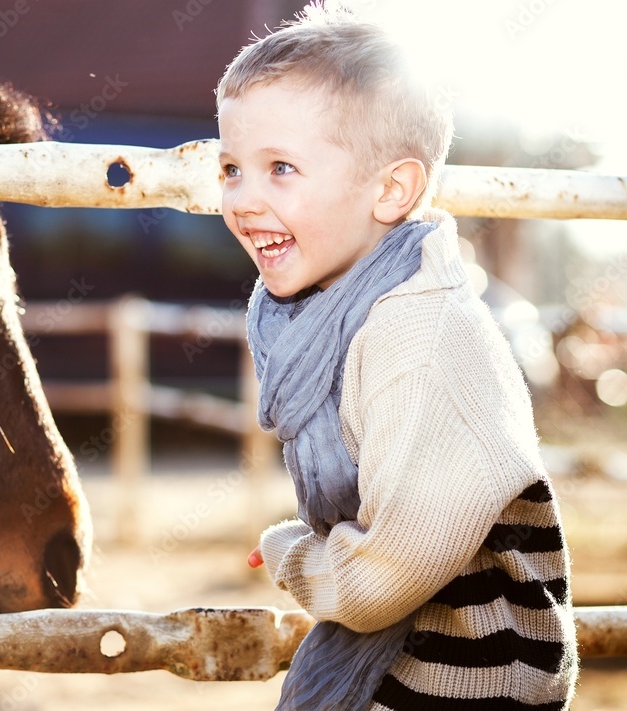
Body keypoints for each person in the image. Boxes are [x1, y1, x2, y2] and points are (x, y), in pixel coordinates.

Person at [215, 4, 578, 709]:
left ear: (391, 190)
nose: (243, 199)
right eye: (231, 167)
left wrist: (296, 554)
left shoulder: (417, 337)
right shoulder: (356, 309)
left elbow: (383, 580)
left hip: (462, 683)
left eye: (280, 168)